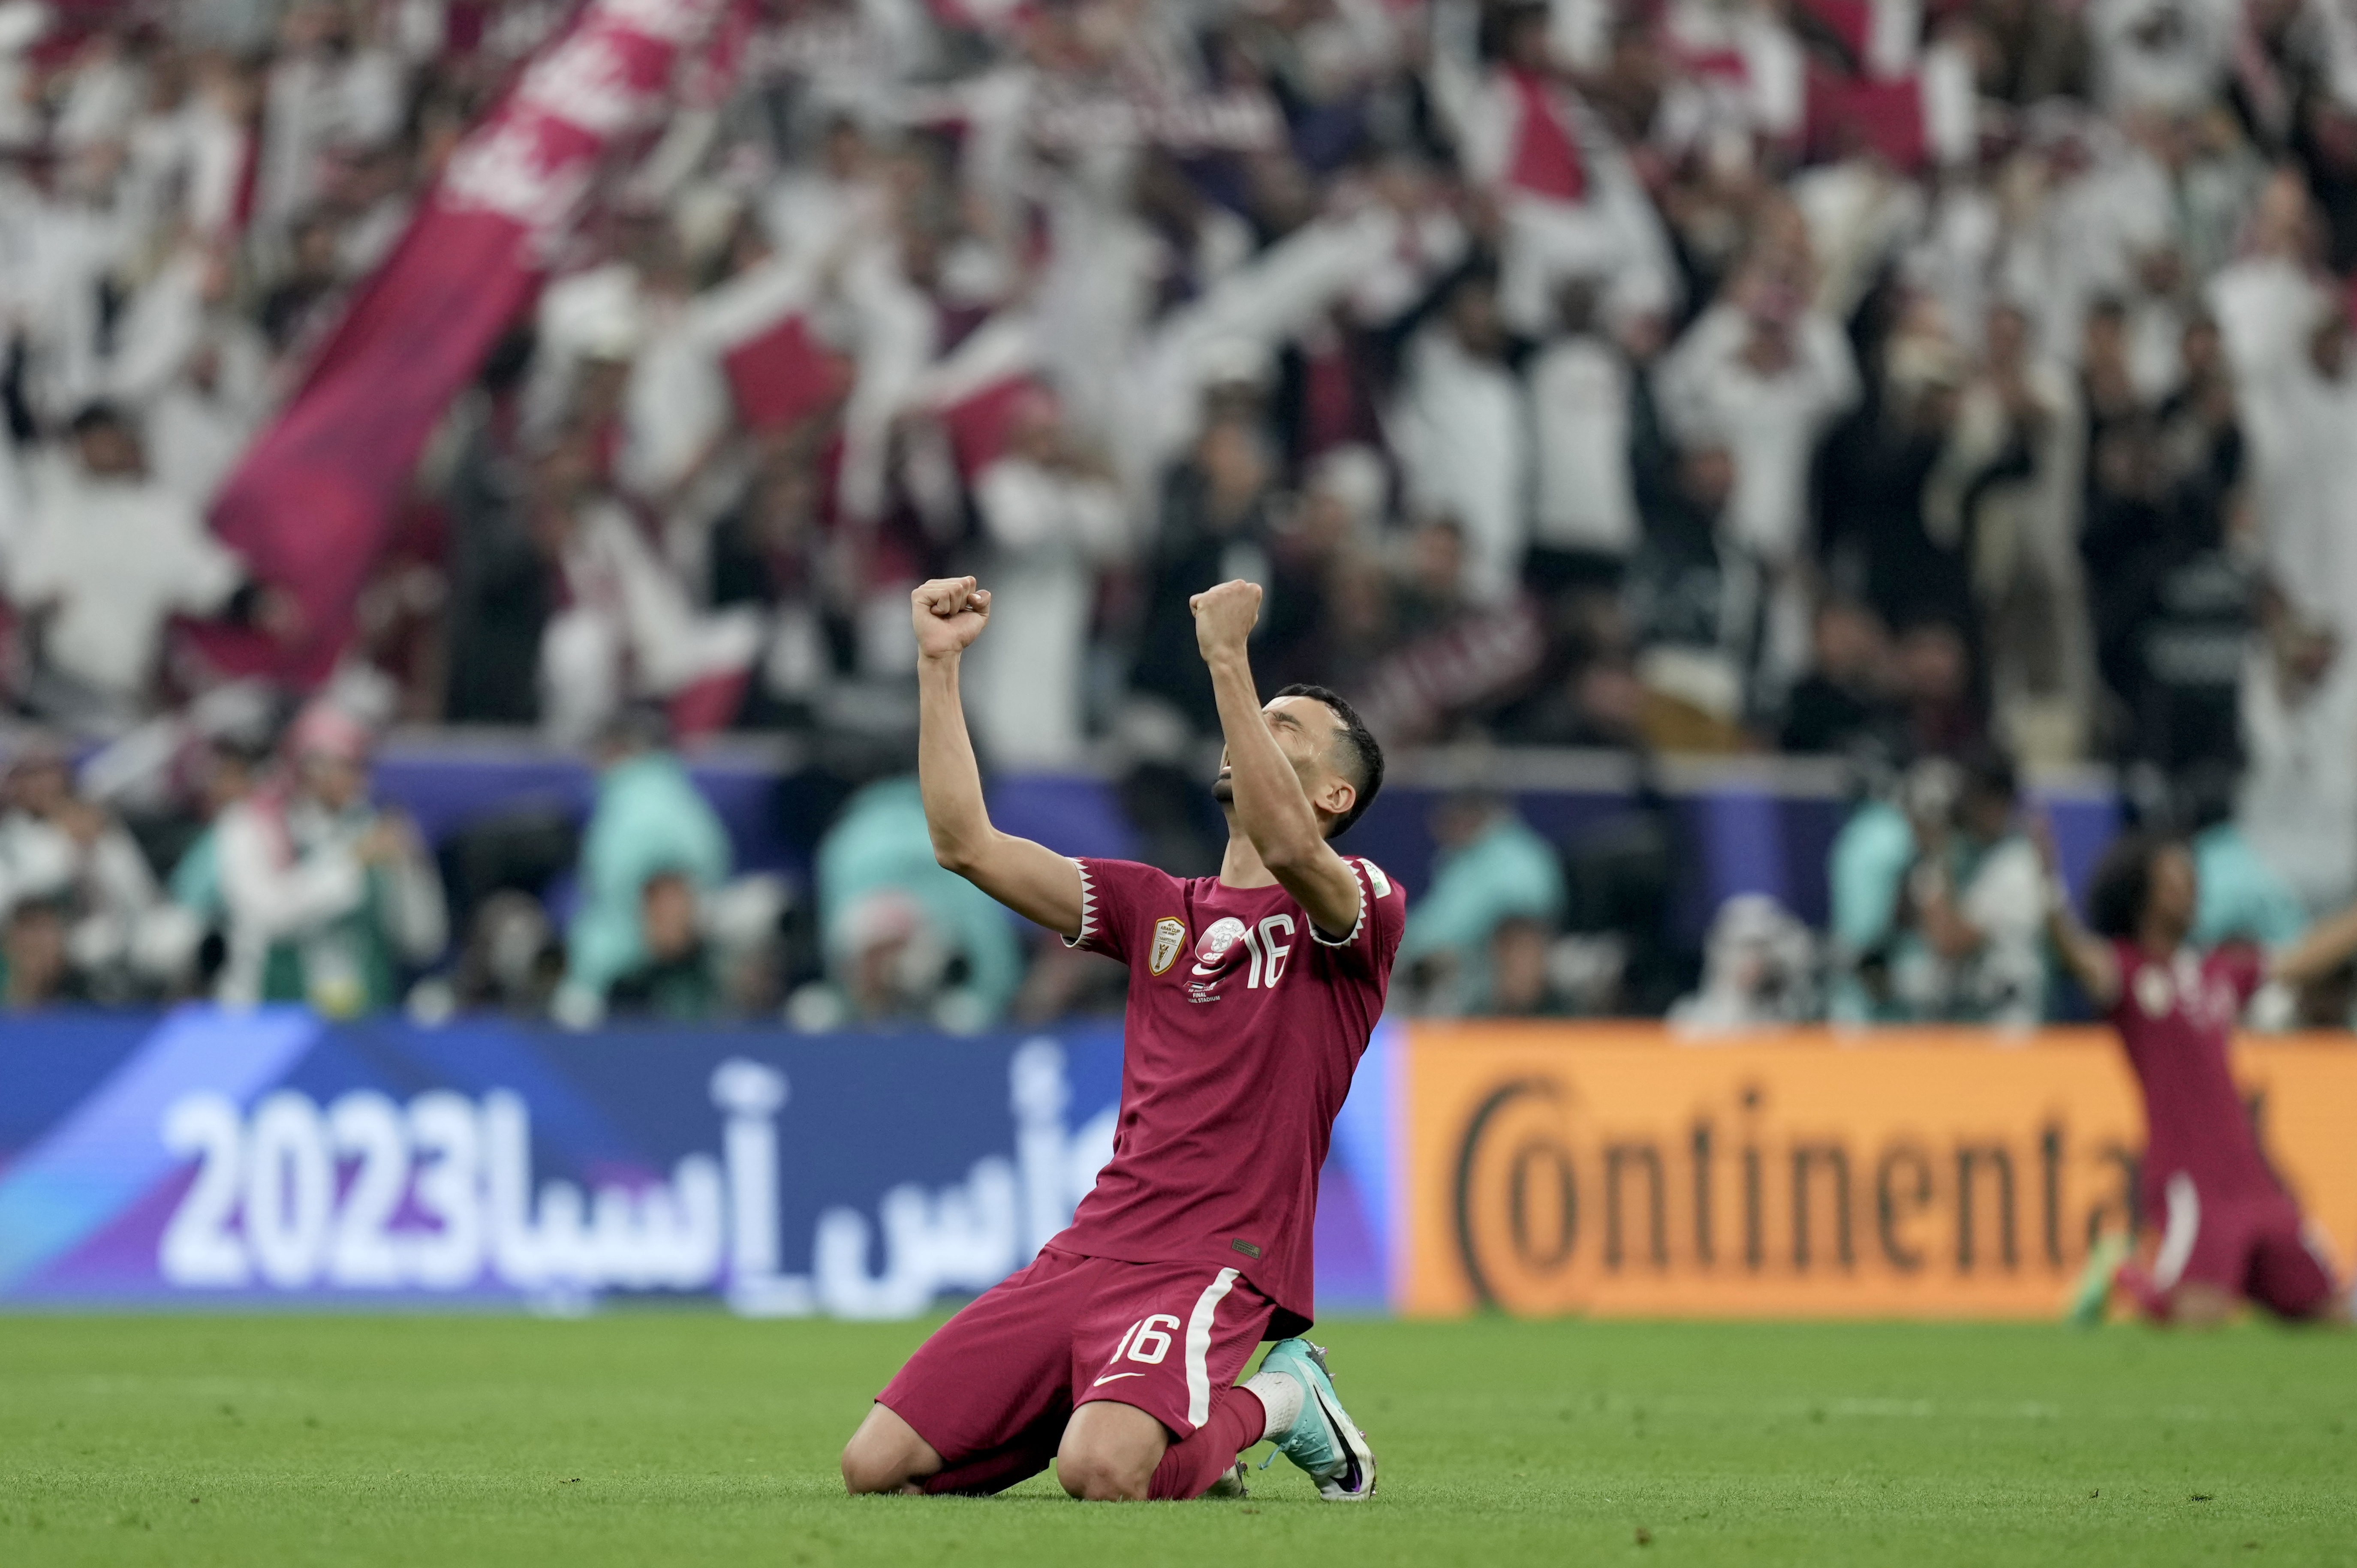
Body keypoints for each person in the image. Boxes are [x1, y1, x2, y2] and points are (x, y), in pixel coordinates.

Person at [841, 574, 1401, 1503]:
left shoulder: (1358, 905)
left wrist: (1228, 660)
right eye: (1251, 719)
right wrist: (938, 670)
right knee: (874, 1465)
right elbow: (966, 844)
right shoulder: (1157, 908)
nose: (1250, 733)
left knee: (1099, 1470)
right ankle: (1153, 1414)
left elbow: (1295, 851)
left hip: (1219, 1255)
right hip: (1094, 1246)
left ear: (1337, 792)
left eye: (1284, 730)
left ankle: (1283, 1395)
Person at [2044, 828, 2357, 1324]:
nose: (2189, 892)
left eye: (2191, 880)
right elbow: (2076, 955)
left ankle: (2139, 1277)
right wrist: (2049, 896)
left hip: (2255, 1179)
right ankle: (2134, 1285)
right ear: (2141, 893)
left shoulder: (2217, 972)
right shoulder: (2128, 974)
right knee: (2201, 1317)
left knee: (2333, 1315)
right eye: (2174, 881)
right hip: (2190, 1180)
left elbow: (2299, 959)